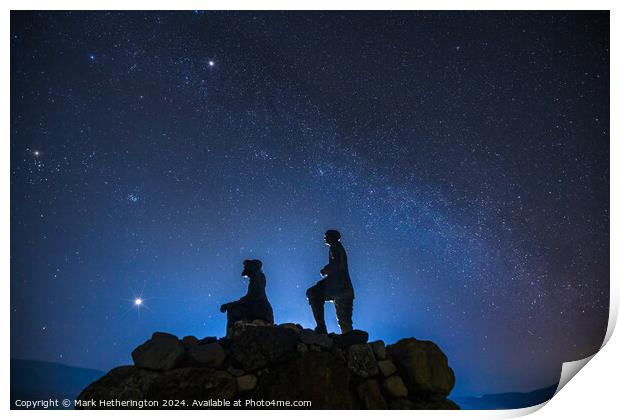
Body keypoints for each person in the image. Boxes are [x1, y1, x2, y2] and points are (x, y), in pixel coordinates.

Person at [306, 229, 355, 334]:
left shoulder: (335, 247)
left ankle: (321, 327)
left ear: (332, 237)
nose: (324, 238)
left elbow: (338, 265)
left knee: (313, 293)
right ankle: (348, 340)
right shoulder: (336, 248)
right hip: (343, 288)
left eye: (326, 236)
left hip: (340, 286)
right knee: (344, 321)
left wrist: (326, 270)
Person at [220, 259, 274, 337]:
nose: (244, 269)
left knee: (233, 309)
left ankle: (229, 337)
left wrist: (229, 305)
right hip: (257, 310)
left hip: (261, 312)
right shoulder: (256, 277)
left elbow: (252, 297)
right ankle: (231, 336)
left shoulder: (258, 276)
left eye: (246, 267)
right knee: (233, 308)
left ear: (251, 266)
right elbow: (250, 297)